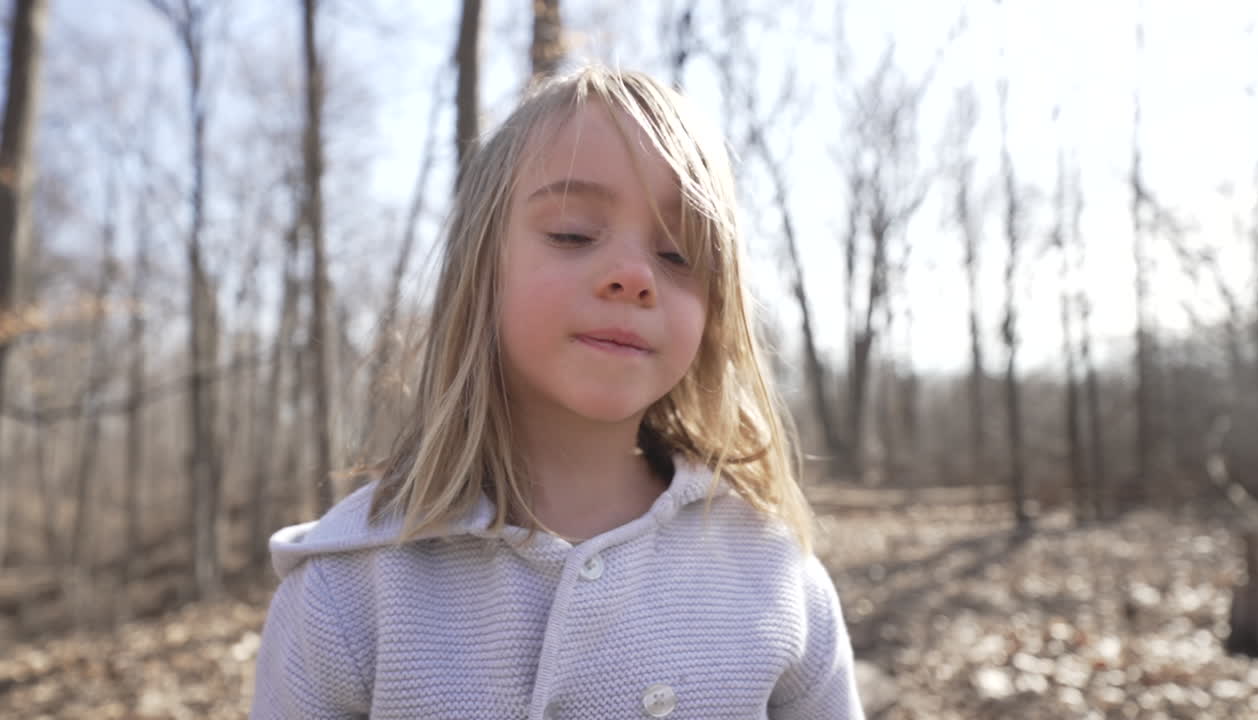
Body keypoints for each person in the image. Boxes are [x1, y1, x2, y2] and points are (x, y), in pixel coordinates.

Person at [251, 65, 865, 719]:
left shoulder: (776, 575)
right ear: (479, 270)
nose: (634, 276)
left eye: (680, 253)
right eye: (572, 232)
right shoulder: (348, 591)